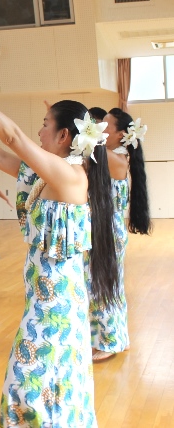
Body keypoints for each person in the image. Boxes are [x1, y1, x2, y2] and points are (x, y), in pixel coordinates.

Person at [0, 50, 117, 426]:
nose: (38, 132)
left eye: (44, 125)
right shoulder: (48, 175)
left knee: (26, 388)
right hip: (44, 295)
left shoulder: (70, 177)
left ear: (63, 135)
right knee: (49, 387)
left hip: (56, 301)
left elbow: (11, 137)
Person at [90, 108, 151, 362]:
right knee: (111, 285)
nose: (100, 129)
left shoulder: (114, 159)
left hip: (107, 232)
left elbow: (86, 146)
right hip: (108, 230)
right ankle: (119, 337)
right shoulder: (116, 157)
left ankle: (109, 341)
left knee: (103, 286)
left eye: (105, 125)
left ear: (120, 134)